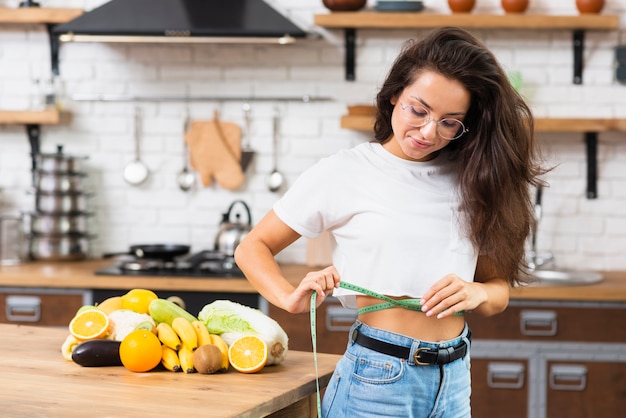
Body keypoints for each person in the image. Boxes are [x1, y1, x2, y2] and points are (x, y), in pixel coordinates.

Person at [234, 26, 546, 417]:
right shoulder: (346, 171)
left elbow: (498, 289)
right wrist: (286, 297)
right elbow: (252, 247)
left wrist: (477, 293)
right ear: (395, 94)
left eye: (450, 122)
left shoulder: (474, 178)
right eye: (419, 110)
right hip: (379, 379)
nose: (428, 132)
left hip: (454, 379)